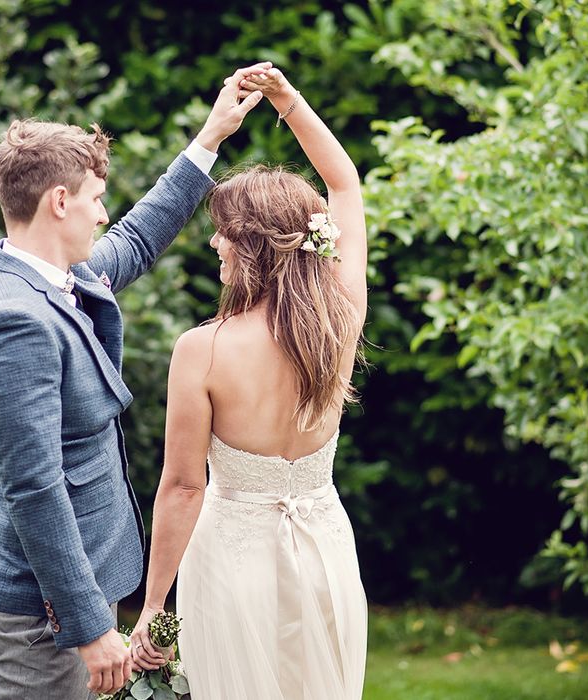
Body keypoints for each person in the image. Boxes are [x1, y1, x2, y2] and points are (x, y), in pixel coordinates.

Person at [0, 63, 269, 700]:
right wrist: (89, 623)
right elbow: (34, 485)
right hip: (37, 617)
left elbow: (137, 237)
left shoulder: (47, 277)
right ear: (60, 201)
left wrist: (210, 138)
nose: (104, 216)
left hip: (68, 601)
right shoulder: (13, 320)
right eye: (97, 199)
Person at [130, 67, 368, 699]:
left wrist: (154, 608)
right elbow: (344, 182)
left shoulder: (202, 350)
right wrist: (288, 103)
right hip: (326, 553)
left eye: (223, 232)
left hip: (233, 567)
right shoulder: (341, 317)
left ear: (251, 246)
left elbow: (183, 488)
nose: (213, 241)